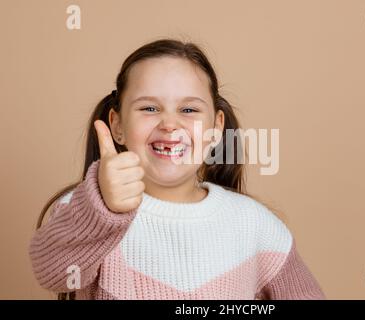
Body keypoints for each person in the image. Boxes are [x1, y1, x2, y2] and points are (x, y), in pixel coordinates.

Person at [29, 39, 326, 300]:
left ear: (216, 127)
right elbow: (51, 271)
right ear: (117, 126)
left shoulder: (255, 225)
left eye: (188, 110)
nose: (169, 124)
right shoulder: (84, 210)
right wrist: (102, 208)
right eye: (149, 108)